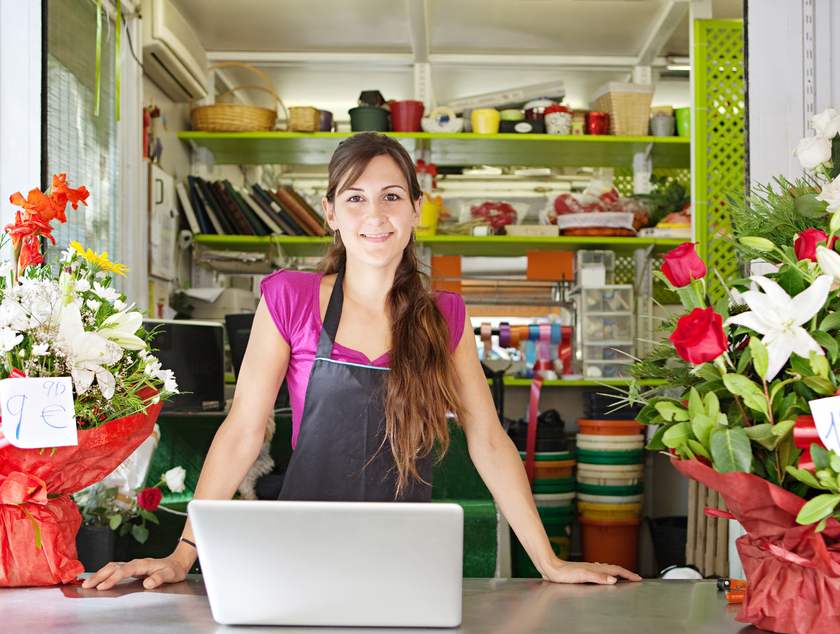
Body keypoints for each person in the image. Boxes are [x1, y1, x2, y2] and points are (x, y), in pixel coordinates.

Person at [84, 133, 641, 590]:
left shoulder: (442, 316)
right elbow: (243, 431)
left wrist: (548, 561)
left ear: (416, 210)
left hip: (407, 557)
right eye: (355, 197)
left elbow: (489, 441)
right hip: (303, 550)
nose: (375, 214)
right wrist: (184, 556)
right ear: (330, 212)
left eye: (392, 196)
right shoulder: (290, 298)